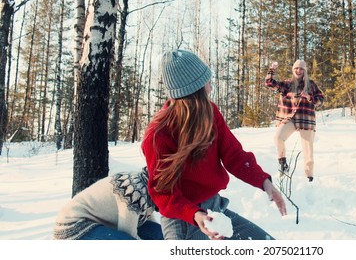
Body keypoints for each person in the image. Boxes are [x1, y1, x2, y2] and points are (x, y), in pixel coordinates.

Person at [141, 49, 287, 240]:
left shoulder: (210, 112)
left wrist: (265, 182)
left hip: (215, 210)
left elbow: (233, 154)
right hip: (184, 220)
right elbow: (163, 194)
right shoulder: (158, 134)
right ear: (194, 91)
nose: (210, 88)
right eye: (206, 83)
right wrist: (195, 215)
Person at [53, 167, 163, 240]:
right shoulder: (134, 191)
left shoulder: (149, 185)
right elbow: (128, 233)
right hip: (74, 226)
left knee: (162, 235)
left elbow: (147, 220)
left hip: (103, 223)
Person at [265, 60, 324, 182]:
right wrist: (272, 69)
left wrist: (310, 98)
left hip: (306, 119)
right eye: (297, 68)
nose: (299, 71)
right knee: (278, 137)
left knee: (308, 149)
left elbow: (321, 99)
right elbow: (270, 83)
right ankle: (283, 163)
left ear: (305, 71)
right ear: (293, 70)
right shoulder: (287, 84)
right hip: (290, 117)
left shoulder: (311, 84)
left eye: (301, 69)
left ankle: (309, 177)